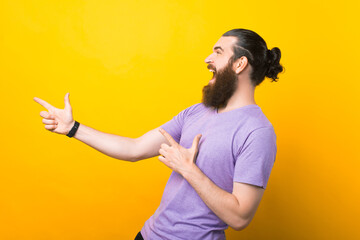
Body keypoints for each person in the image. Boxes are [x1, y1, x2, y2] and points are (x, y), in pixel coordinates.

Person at [34, 28, 284, 240]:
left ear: (240, 64)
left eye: (218, 52)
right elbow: (134, 148)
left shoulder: (257, 131)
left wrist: (188, 169)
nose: (208, 58)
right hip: (149, 234)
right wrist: (72, 128)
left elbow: (240, 217)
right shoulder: (197, 112)